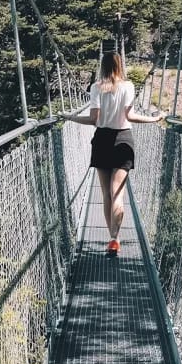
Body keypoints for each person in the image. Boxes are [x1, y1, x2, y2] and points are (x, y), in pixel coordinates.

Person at [62, 52, 165, 254]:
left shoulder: (96, 87)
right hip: (123, 139)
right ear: (120, 65)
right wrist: (154, 119)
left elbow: (93, 120)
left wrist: (70, 117)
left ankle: (113, 238)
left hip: (102, 140)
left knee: (106, 193)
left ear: (102, 66)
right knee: (117, 192)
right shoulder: (128, 86)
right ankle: (114, 240)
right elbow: (130, 116)